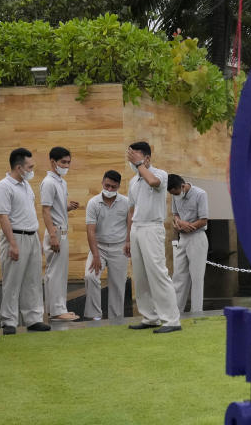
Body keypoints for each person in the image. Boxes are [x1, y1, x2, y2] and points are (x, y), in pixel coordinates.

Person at [125, 141, 181, 333]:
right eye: (130, 158)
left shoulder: (160, 174)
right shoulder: (133, 182)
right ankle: (150, 317)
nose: (132, 162)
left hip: (152, 228)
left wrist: (140, 165)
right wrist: (127, 238)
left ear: (147, 158)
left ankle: (172, 320)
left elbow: (154, 183)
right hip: (136, 229)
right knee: (140, 276)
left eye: (136, 158)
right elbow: (131, 211)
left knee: (158, 273)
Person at [0, 148, 51, 334]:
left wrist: (37, 238)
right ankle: (9, 321)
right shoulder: (4, 186)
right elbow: (3, 217)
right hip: (15, 235)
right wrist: (12, 243)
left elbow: (29, 212)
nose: (32, 170)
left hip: (31, 235)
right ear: (19, 167)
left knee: (33, 279)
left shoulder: (25, 184)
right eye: (30, 166)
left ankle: (33, 318)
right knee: (12, 280)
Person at [84, 170, 131, 321]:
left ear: (118, 186)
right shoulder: (93, 203)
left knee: (118, 284)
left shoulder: (126, 202)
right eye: (107, 185)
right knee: (90, 276)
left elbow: (130, 223)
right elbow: (90, 231)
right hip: (99, 247)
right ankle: (94, 316)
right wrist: (96, 255)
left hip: (119, 248)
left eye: (113, 187)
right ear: (102, 183)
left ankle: (116, 319)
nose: (110, 190)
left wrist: (128, 242)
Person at [40, 146, 80, 321]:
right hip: (55, 231)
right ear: (52, 162)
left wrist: (67, 207)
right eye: (63, 162)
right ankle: (56, 310)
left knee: (60, 272)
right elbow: (45, 210)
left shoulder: (61, 182)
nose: (66, 165)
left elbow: (55, 208)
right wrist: (53, 235)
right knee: (55, 272)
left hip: (61, 231)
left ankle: (57, 308)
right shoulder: (48, 182)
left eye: (68, 162)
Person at [168, 174, 209, 313]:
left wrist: (188, 225)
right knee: (178, 275)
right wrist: (179, 223)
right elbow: (175, 214)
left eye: (176, 192)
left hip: (197, 237)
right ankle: (175, 312)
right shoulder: (174, 194)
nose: (175, 195)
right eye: (172, 194)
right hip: (183, 238)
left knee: (197, 278)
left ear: (182, 186)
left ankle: (196, 312)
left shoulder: (200, 194)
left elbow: (204, 220)